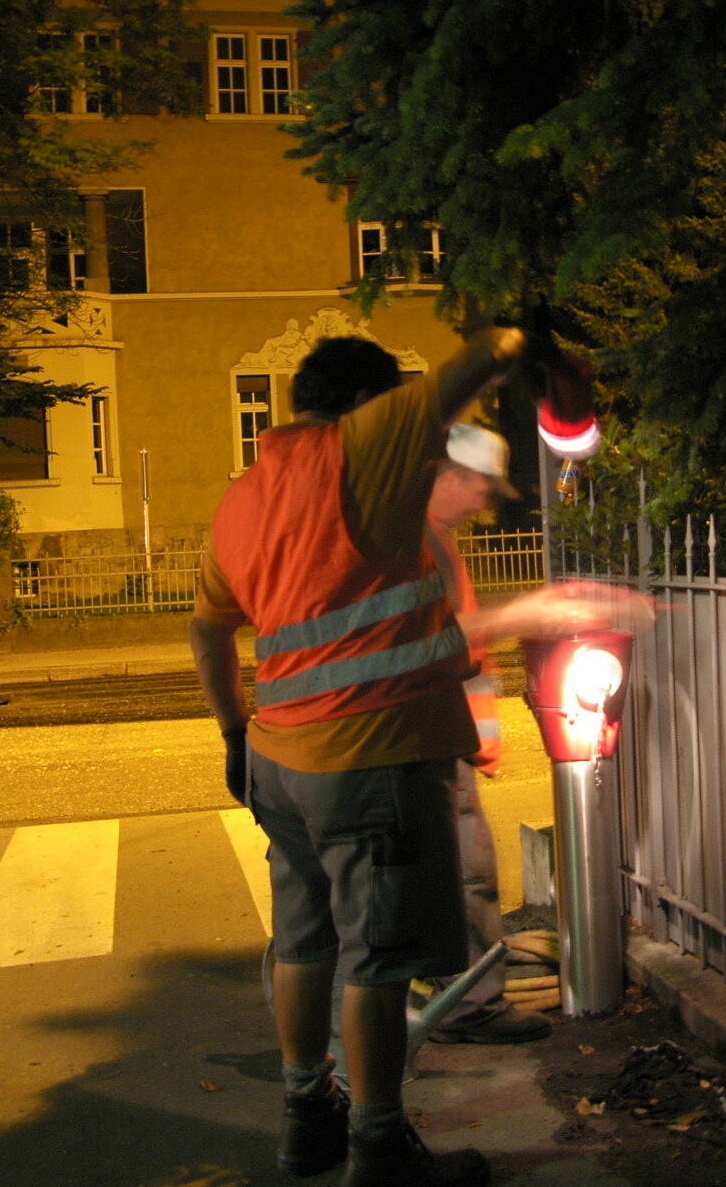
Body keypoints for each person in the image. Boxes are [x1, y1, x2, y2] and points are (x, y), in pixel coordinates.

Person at [190, 328, 533, 1187]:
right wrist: (520, 338)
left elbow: (208, 629)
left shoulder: (242, 498)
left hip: (279, 757)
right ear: (364, 405)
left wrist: (232, 733)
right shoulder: (362, 450)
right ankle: (380, 1151)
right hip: (370, 754)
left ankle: (308, 1119)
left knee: (303, 942)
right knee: (376, 960)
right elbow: (470, 367)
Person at [421, 423, 599, 1045]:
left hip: (443, 738)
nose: (485, 502)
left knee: (448, 873)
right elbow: (440, 640)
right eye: (480, 486)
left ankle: (448, 994)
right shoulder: (422, 540)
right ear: (448, 475)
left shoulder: (432, 537)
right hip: (435, 740)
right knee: (467, 874)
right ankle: (469, 1009)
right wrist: (522, 614)